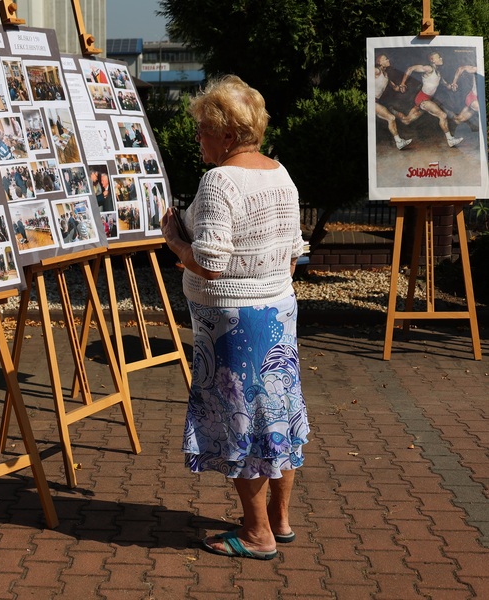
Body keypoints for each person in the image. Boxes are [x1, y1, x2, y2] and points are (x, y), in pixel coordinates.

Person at [160, 75, 310, 561]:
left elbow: (211, 260)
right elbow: (291, 255)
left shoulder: (221, 179)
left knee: (240, 420)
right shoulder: (279, 172)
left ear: (227, 135)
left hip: (234, 321)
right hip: (277, 309)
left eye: (204, 129)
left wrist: (173, 242)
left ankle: (257, 534)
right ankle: (280, 521)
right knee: (277, 415)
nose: (198, 137)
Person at [394, 52, 463, 148]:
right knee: (442, 115)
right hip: (423, 99)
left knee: (407, 120)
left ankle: (393, 112)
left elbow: (446, 85)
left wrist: (452, 85)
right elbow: (411, 68)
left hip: (424, 99)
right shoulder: (429, 68)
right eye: (438, 57)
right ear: (432, 60)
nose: (441, 58)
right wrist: (402, 83)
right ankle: (450, 140)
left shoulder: (438, 73)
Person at [374, 54, 412, 150]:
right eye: (385, 59)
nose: (388, 59)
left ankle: (399, 142)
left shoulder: (386, 76)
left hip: (375, 101)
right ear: (379, 62)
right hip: (371, 101)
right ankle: (399, 142)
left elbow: (395, 88)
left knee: (391, 118)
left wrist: (402, 87)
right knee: (391, 118)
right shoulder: (376, 71)